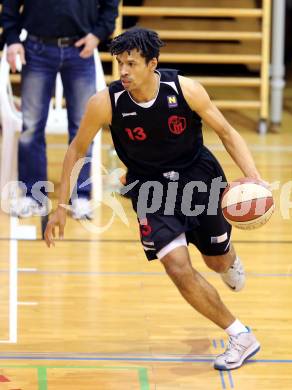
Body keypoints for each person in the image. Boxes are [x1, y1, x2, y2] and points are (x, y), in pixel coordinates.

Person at [44, 27, 263, 371]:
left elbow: (226, 131)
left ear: (152, 63)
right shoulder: (106, 103)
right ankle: (241, 335)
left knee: (216, 262)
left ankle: (228, 260)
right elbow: (77, 148)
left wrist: (254, 176)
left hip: (198, 178)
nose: (125, 71)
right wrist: (60, 206)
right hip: (149, 189)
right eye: (120, 64)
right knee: (176, 266)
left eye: (131, 63)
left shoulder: (185, 89)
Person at [2, 0, 119, 219]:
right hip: (36, 48)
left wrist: (98, 33)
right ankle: (33, 196)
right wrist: (12, 38)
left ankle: (80, 197)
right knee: (31, 128)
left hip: (80, 50)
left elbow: (111, 3)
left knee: (83, 127)